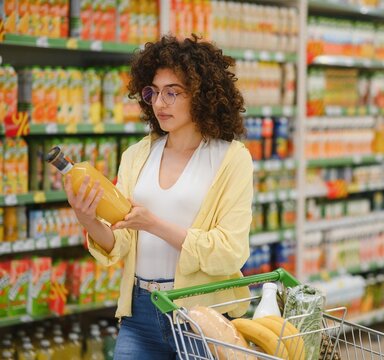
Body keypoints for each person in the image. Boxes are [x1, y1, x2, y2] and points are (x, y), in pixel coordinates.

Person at [63, 35, 253, 359]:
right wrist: (87, 218)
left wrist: (154, 224)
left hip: (200, 313)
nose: (159, 103)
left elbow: (230, 252)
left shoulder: (231, 159)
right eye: (153, 91)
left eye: (172, 92)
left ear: (203, 94)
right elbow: (121, 240)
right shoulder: (137, 155)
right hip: (141, 311)